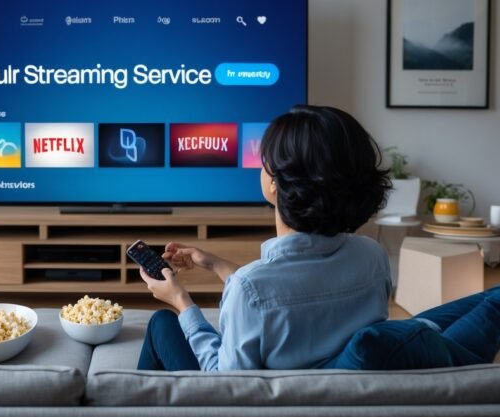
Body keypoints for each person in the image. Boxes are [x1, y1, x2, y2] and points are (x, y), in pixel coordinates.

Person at [138, 105, 500, 371]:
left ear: (275, 182)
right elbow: (285, 295)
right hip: (343, 384)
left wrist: (181, 301)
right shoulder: (372, 257)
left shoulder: (249, 290)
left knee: (161, 324)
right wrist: (213, 262)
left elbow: (227, 384)